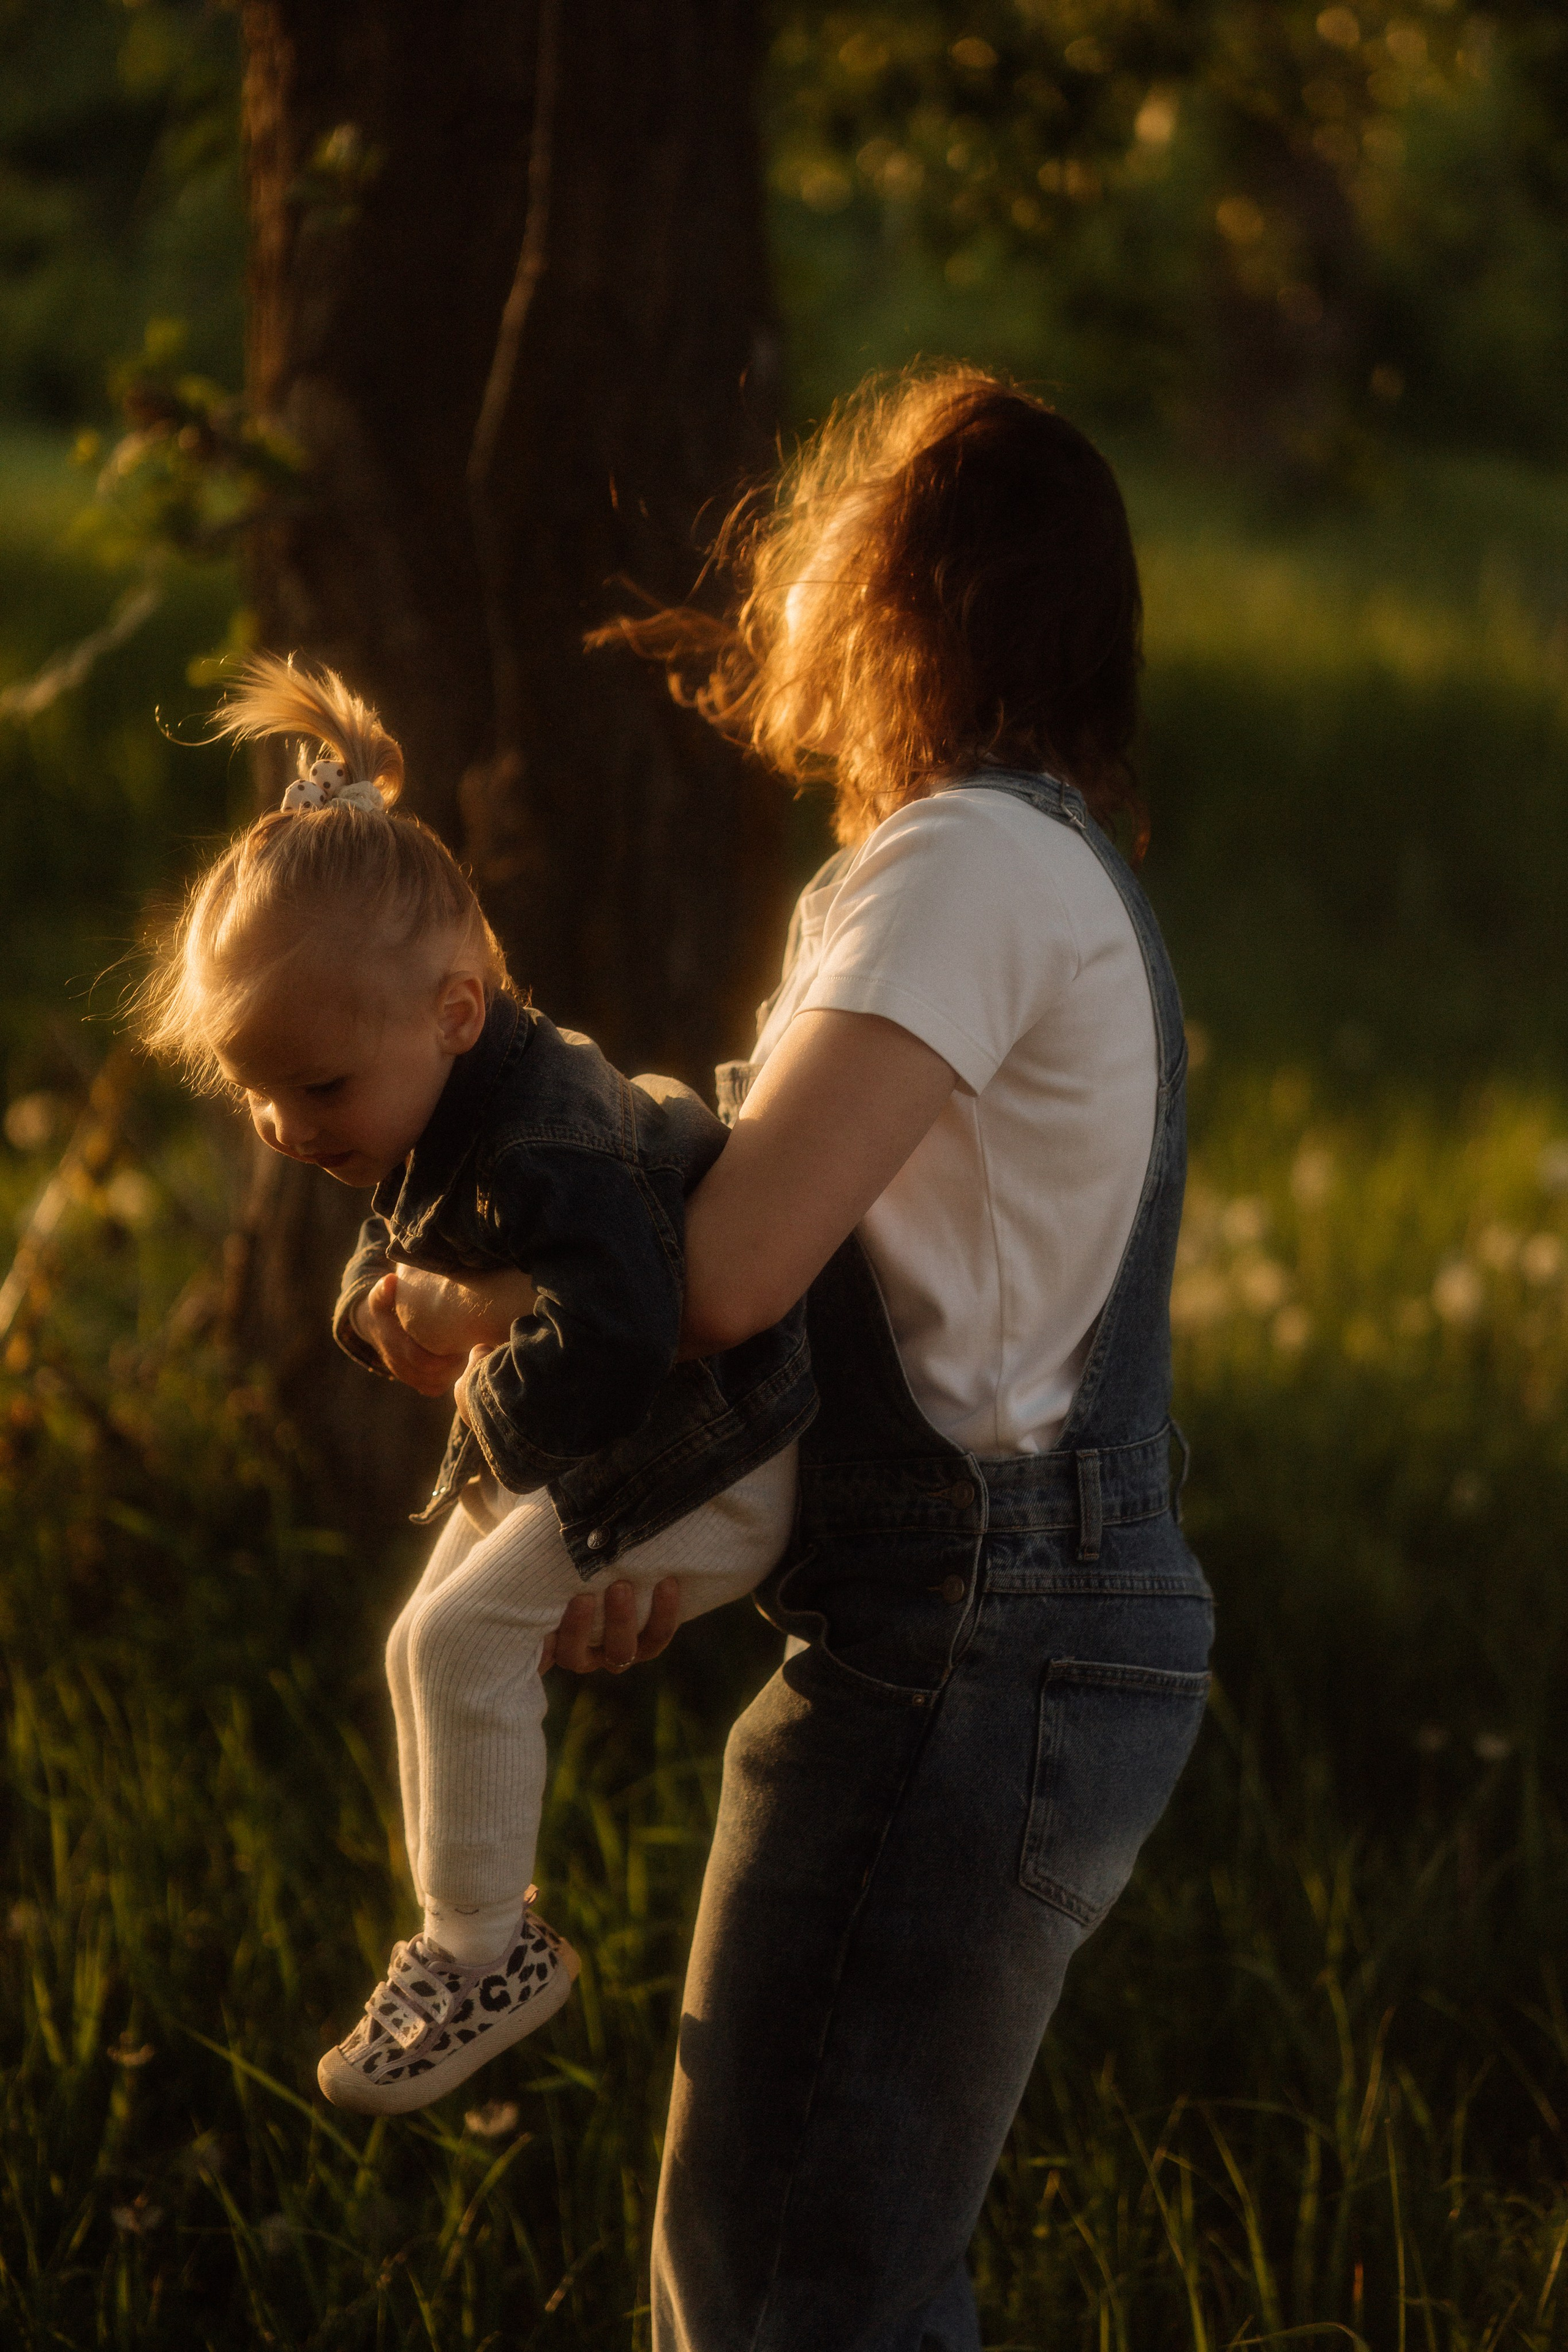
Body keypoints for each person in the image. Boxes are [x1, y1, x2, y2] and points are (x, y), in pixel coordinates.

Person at [546, 363, 1215, 2351]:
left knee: (787, 2298)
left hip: (964, 1650)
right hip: (987, 1623)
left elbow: (733, 1274)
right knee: (832, 2274)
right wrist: (673, 1537)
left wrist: (500, 1302)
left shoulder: (963, 869)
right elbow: (926, 1324)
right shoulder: (1047, 868)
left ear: (901, 594)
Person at [131, 654, 812, 2117]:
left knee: (454, 1639)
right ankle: (471, 1938)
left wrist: (480, 1387)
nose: (285, 1127)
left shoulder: (552, 1139)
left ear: (453, 1009)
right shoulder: (440, 1097)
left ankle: (481, 1955)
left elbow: (627, 1331)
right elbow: (397, 1239)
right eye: (257, 1094)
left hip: (710, 1455)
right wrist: (379, 1314)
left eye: (316, 1089)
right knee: (423, 1645)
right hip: (618, 1439)